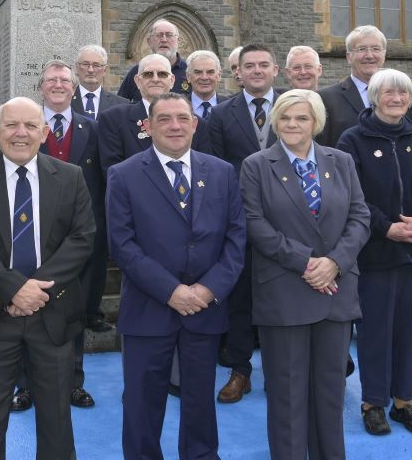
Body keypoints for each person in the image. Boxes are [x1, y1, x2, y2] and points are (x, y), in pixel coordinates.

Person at [0, 97, 96, 460]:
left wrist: (36, 290)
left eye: (30, 125)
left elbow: (82, 237)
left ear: (44, 133)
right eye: (11, 125)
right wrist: (14, 289)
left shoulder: (71, 177)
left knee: (57, 417)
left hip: (53, 313)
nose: (21, 133)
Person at [107, 93, 246, 460]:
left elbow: (236, 240)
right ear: (148, 126)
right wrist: (171, 291)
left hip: (205, 309)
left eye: (182, 118)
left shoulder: (222, 172)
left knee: (200, 399)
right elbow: (122, 245)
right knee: (141, 401)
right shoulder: (123, 175)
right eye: (164, 119)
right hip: (148, 309)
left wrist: (208, 289)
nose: (174, 126)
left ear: (195, 123)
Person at [239, 89, 369, 460]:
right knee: (287, 395)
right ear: (274, 122)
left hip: (335, 291)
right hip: (285, 292)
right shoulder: (256, 165)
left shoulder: (341, 161)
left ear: (316, 123)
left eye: (302, 118)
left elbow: (360, 217)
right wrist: (307, 263)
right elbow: (254, 223)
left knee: (330, 392)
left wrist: (335, 263)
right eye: (286, 118)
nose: (293, 125)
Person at [336, 69, 412, 437]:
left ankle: (403, 400)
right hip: (375, 254)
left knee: (408, 330)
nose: (396, 99)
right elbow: (350, 195)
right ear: (373, 97)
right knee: (374, 331)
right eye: (388, 92)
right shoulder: (351, 141)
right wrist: (385, 226)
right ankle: (373, 402)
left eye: (402, 93)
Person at [10, 61, 104, 414]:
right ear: (41, 86)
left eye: (65, 80)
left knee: (72, 316)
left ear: (74, 87)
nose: (59, 85)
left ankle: (72, 383)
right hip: (29, 233)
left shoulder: (93, 128)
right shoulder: (26, 128)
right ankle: (25, 386)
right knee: (26, 312)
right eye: (52, 80)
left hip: (78, 238)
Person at [205, 42, 283, 404]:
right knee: (239, 298)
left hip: (289, 221)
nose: (256, 70)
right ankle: (239, 370)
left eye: (262, 64)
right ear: (238, 72)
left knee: (286, 297)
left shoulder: (294, 107)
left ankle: (284, 371)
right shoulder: (220, 115)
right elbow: (217, 170)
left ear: (274, 70)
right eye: (248, 65)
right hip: (240, 220)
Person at [99, 53, 208, 170]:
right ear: (137, 81)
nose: (155, 79)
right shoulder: (114, 119)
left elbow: (203, 168)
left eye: (162, 74)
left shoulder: (196, 123)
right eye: (148, 74)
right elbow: (112, 170)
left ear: (172, 80)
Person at [319, 25, 386, 147]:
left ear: (384, 54)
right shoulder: (325, 98)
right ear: (349, 57)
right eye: (361, 49)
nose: (369, 55)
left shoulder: (399, 98)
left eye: (376, 49)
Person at [116, 19, 189, 102]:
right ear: (149, 41)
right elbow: (120, 102)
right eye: (159, 35)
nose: (164, 39)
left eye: (169, 35)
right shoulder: (137, 71)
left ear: (178, 41)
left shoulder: (190, 71)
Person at [70, 44, 128, 120]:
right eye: (85, 64)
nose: (90, 70)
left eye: (96, 65)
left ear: (104, 70)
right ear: (77, 68)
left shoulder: (121, 104)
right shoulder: (64, 101)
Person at [185, 49, 222, 119]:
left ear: (219, 76)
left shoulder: (233, 107)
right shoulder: (178, 107)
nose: (204, 77)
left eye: (210, 72)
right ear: (188, 76)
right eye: (198, 72)